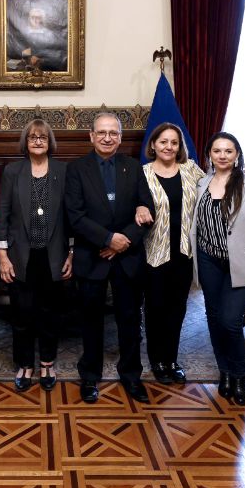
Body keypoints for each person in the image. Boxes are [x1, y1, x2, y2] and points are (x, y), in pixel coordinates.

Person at [65, 112, 154, 404]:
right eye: (101, 132)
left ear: (120, 137)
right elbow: (74, 216)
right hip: (92, 257)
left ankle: (131, 376)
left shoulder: (133, 167)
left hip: (127, 258)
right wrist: (107, 239)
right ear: (91, 136)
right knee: (90, 321)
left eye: (113, 133)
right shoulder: (77, 169)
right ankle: (89, 376)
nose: (107, 138)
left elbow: (146, 210)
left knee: (130, 321)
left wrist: (121, 242)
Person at [193, 132, 245, 406]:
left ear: (237, 154)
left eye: (229, 151)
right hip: (208, 260)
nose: (223, 155)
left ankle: (240, 376)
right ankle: (224, 373)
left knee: (230, 320)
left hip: (242, 264)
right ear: (210, 155)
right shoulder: (202, 183)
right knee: (214, 318)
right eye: (217, 150)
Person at [0, 119, 72, 391]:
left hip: (53, 256)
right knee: (22, 314)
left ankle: (47, 364)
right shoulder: (13, 171)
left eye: (42, 137)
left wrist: (71, 253)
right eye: (32, 137)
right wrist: (2, 256)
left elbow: (71, 216)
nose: (37, 141)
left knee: (50, 314)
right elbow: (2, 215)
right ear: (25, 143)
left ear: (49, 142)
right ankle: (25, 364)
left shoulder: (63, 170)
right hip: (19, 256)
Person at [137, 122, 205, 385]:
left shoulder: (191, 170)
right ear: (153, 145)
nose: (168, 146)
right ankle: (157, 361)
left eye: (173, 142)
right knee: (154, 308)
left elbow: (215, 187)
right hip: (154, 253)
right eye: (163, 141)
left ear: (180, 147)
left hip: (184, 253)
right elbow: (134, 203)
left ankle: (172, 359)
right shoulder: (141, 173)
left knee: (177, 309)